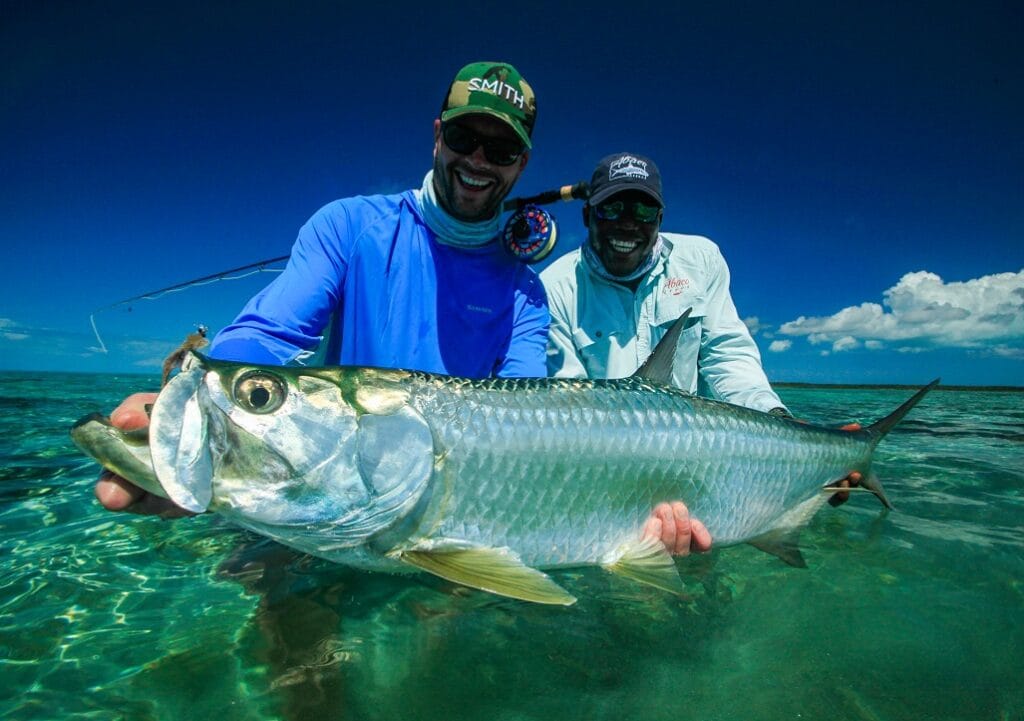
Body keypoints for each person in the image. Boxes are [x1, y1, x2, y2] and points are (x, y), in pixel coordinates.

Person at [94, 68, 710, 555]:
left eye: (500, 151)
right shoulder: (349, 227)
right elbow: (269, 331)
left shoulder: (525, 294)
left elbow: (527, 415)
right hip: (336, 506)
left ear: (522, 165)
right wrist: (204, 390)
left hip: (456, 520)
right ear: (438, 134)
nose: (477, 161)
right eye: (465, 139)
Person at [541, 152, 861, 505]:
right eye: (612, 209)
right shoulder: (554, 287)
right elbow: (566, 408)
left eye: (644, 212)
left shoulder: (701, 260)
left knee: (706, 555)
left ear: (660, 218)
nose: (628, 223)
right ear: (588, 215)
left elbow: (727, 356)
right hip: (604, 468)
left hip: (699, 461)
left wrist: (778, 422)